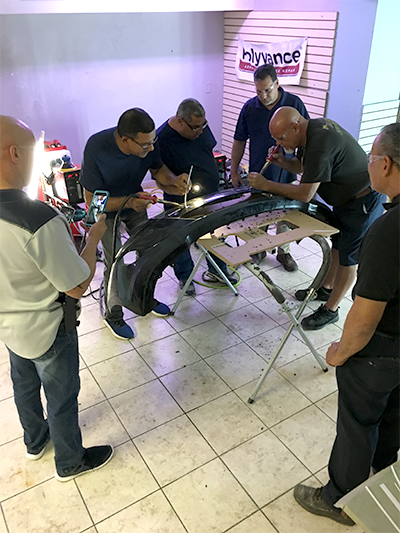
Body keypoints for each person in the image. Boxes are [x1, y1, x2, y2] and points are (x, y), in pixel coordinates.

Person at [293, 122, 400, 527]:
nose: (368, 165)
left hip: (382, 348)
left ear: (385, 165)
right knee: (394, 413)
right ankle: (383, 470)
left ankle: (339, 498)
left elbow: (368, 311)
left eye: (371, 159)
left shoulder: (388, 230)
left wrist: (343, 350)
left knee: (359, 422)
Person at [0, 116, 113, 482]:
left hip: (10, 325)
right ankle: (70, 461)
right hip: (49, 327)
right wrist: (93, 239)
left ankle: (34, 443)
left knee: (24, 387)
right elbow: (77, 285)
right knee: (62, 396)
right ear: (15, 154)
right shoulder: (37, 219)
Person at [248, 107, 385, 330]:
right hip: (346, 200)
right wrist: (282, 161)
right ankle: (325, 289)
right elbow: (305, 167)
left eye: (281, 138)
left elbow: (305, 193)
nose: (279, 143)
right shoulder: (310, 132)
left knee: (349, 259)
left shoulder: (320, 141)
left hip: (362, 201)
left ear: (295, 127)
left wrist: (266, 185)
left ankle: (331, 310)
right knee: (338, 247)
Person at [80, 108, 188, 340]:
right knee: (115, 259)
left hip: (134, 202)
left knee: (148, 253)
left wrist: (174, 181)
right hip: (106, 212)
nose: (150, 148)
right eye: (145, 145)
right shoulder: (97, 147)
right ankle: (114, 312)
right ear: (126, 140)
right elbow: (92, 203)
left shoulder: (148, 142)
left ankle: (144, 298)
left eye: (152, 143)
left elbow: (158, 170)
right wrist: (128, 203)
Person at [231, 64, 310, 271]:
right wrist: (234, 169)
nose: (263, 95)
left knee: (285, 214)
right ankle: (259, 248)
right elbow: (239, 140)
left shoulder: (294, 104)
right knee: (260, 213)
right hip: (260, 172)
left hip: (287, 172)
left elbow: (306, 138)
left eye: (267, 90)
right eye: (258, 91)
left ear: (277, 83)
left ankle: (284, 251)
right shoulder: (249, 108)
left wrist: (303, 167)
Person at [157, 98, 238, 296]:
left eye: (203, 126)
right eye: (195, 128)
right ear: (180, 121)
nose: (200, 132)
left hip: (210, 195)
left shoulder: (199, 127)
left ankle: (217, 271)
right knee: (181, 239)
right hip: (181, 200)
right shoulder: (162, 139)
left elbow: (207, 151)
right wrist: (175, 181)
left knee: (215, 233)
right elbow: (158, 175)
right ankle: (185, 276)